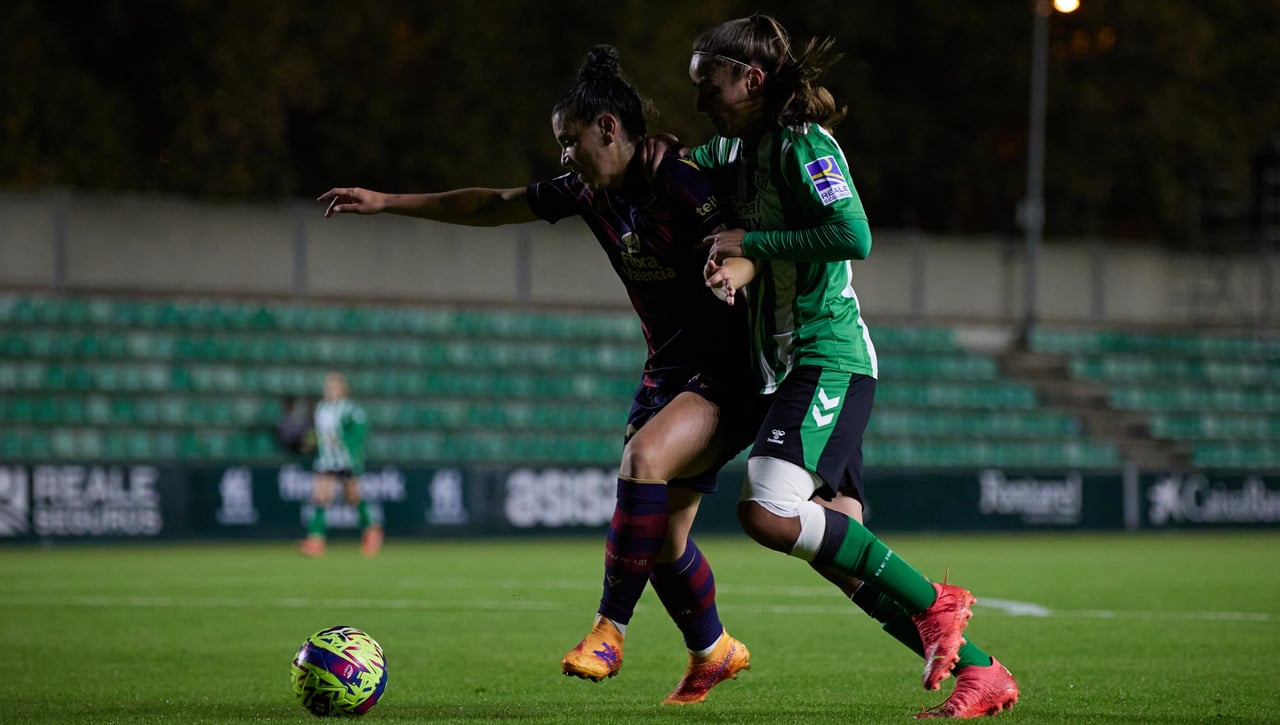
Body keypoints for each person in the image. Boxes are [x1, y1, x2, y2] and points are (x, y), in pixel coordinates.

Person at [317, 45, 763, 705]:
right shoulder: (590, 190)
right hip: (668, 370)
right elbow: (491, 204)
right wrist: (386, 200)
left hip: (726, 371)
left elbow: (750, 239)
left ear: (609, 129)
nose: (564, 156)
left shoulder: (683, 179)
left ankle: (609, 629)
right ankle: (713, 649)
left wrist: (734, 272)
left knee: (642, 459)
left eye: (570, 141)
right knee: (664, 542)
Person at [682, 15, 1019, 719]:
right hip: (787, 365)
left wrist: (751, 239)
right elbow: (678, 169)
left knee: (766, 511)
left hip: (826, 355)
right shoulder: (735, 149)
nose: (700, 99)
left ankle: (938, 603)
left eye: (708, 84)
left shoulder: (805, 144)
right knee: (840, 557)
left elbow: (854, 233)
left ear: (751, 79)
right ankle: (984, 671)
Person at [299, 371, 381, 558]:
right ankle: (316, 539)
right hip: (326, 459)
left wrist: (346, 444)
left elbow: (359, 432)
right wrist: (312, 442)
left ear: (343, 389)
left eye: (334, 386)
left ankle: (371, 530)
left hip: (345, 459)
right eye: (328, 386)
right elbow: (318, 433)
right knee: (320, 496)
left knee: (352, 496)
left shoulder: (350, 410)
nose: (330, 390)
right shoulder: (321, 408)